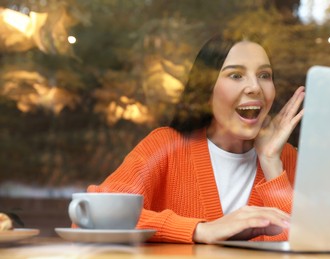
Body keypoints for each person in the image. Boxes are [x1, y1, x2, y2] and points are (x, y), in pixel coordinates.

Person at [87, 33, 305, 244]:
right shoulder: (165, 146)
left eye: (264, 75)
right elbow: (92, 216)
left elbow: (306, 241)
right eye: (236, 75)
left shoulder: (284, 157)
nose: (255, 87)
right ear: (206, 89)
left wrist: (270, 162)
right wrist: (200, 230)